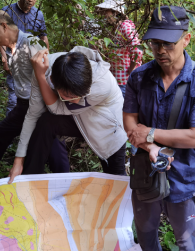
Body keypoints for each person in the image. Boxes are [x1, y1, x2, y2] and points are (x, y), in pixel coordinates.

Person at [123, 6, 195, 251]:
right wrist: (151, 147)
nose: (161, 50)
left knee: (186, 239)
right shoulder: (139, 77)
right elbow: (130, 125)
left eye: (168, 43)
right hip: (146, 170)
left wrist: (151, 134)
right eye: (155, 43)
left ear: (186, 39)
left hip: (183, 174)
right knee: (145, 230)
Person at [7, 46, 127, 183]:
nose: (75, 100)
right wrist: (18, 160)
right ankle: (30, 180)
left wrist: (41, 78)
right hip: (78, 118)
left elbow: (57, 108)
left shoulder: (102, 85)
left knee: (116, 179)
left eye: (81, 95)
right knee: (46, 122)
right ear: (52, 81)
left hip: (107, 127)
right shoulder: (42, 71)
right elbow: (32, 115)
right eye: (68, 96)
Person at [0, 11, 69, 172]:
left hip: (41, 105)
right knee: (0, 132)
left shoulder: (32, 43)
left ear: (3, 26)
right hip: (22, 105)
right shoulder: (10, 47)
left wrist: (50, 107)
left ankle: (64, 179)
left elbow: (49, 74)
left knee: (53, 144)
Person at [2, 0, 50, 114]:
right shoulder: (7, 12)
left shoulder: (38, 14)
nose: (31, 0)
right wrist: (4, 58)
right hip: (14, 59)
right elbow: (0, 38)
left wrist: (47, 56)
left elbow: (43, 37)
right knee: (14, 95)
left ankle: (29, 120)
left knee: (33, 94)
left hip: (33, 60)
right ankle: (12, 121)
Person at [95, 0, 143, 97]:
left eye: (106, 11)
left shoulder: (125, 26)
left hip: (124, 82)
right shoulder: (114, 29)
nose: (104, 14)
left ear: (115, 12)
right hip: (116, 80)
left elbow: (137, 50)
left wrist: (131, 70)